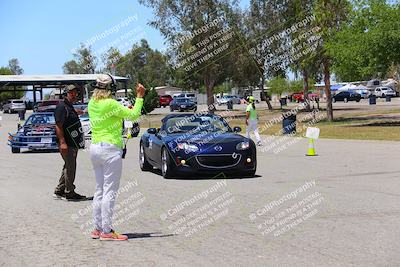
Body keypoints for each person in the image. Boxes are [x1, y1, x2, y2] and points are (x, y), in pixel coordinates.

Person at [88, 74, 145, 241]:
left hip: (95, 147)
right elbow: (134, 115)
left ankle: (97, 228)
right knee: (109, 191)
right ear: (110, 89)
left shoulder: (92, 103)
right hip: (110, 149)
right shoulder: (111, 104)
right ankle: (107, 230)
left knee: (99, 190)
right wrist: (140, 97)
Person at [53, 84, 87, 201]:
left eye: (75, 92)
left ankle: (59, 191)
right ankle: (70, 193)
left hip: (72, 142)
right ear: (66, 94)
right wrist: (63, 142)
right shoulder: (61, 107)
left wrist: (80, 112)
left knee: (68, 166)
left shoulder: (69, 107)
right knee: (71, 167)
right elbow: (58, 126)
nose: (74, 94)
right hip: (67, 143)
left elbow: (71, 113)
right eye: (71, 92)